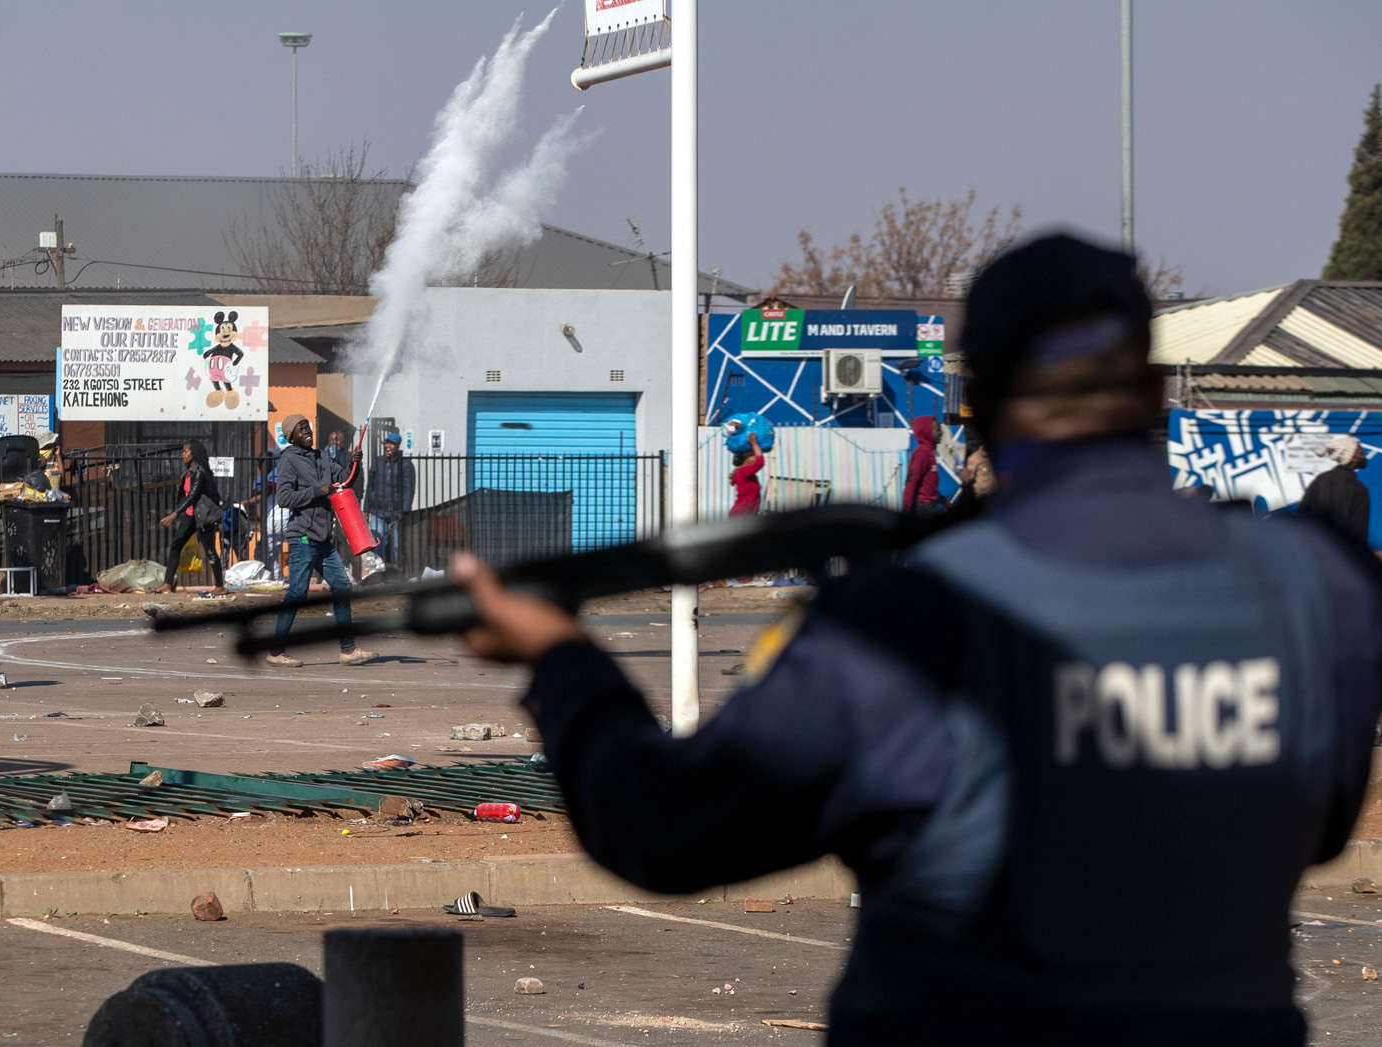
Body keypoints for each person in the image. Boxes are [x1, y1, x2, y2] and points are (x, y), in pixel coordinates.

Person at [449, 234, 1382, 1046]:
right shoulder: (1318, 589)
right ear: (1148, 389)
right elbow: (1322, 822)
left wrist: (562, 659)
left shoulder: (909, 621)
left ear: (984, 403)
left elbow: (663, 828)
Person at [267, 414, 377, 668]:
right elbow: (284, 498)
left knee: (342, 586)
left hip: (323, 539)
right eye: (301, 429)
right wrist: (318, 491)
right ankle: (275, 651)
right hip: (303, 537)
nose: (307, 431)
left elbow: (345, 479)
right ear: (291, 437)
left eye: (308, 427)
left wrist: (354, 463)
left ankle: (348, 650)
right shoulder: (288, 460)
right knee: (297, 593)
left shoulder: (321, 456)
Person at [158, 441, 226, 596]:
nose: (183, 454)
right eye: (183, 451)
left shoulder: (200, 472)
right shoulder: (188, 471)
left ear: (194, 453)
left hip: (202, 516)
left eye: (186, 451)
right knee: (176, 545)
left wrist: (175, 514)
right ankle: (167, 584)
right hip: (190, 515)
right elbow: (184, 496)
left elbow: (192, 497)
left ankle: (220, 586)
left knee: (210, 550)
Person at [1298, 435, 1370, 548]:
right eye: (1361, 453)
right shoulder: (1359, 488)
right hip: (1341, 552)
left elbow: (1302, 512)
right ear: (1351, 457)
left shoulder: (1320, 479)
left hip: (1313, 547)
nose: (1364, 457)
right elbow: (1359, 532)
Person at [365, 431, 416, 572]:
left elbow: (408, 489)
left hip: (396, 512)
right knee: (377, 543)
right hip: (377, 510)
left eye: (392, 444)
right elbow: (370, 485)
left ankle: (398, 573)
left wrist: (404, 510)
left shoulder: (405, 465)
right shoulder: (377, 462)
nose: (388, 446)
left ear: (398, 446)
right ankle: (376, 571)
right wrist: (366, 508)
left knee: (396, 545)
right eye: (387, 443)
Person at [900, 414, 946, 513]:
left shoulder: (929, 452)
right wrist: (906, 510)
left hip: (928, 506)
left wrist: (945, 502)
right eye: (938, 430)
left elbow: (928, 488)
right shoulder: (922, 453)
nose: (941, 433)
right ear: (927, 432)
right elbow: (911, 482)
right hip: (922, 508)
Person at [728, 431, 765, 516]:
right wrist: (754, 443)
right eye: (752, 455)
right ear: (746, 459)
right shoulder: (742, 472)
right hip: (741, 514)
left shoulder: (748, 474)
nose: (755, 457)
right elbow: (760, 461)